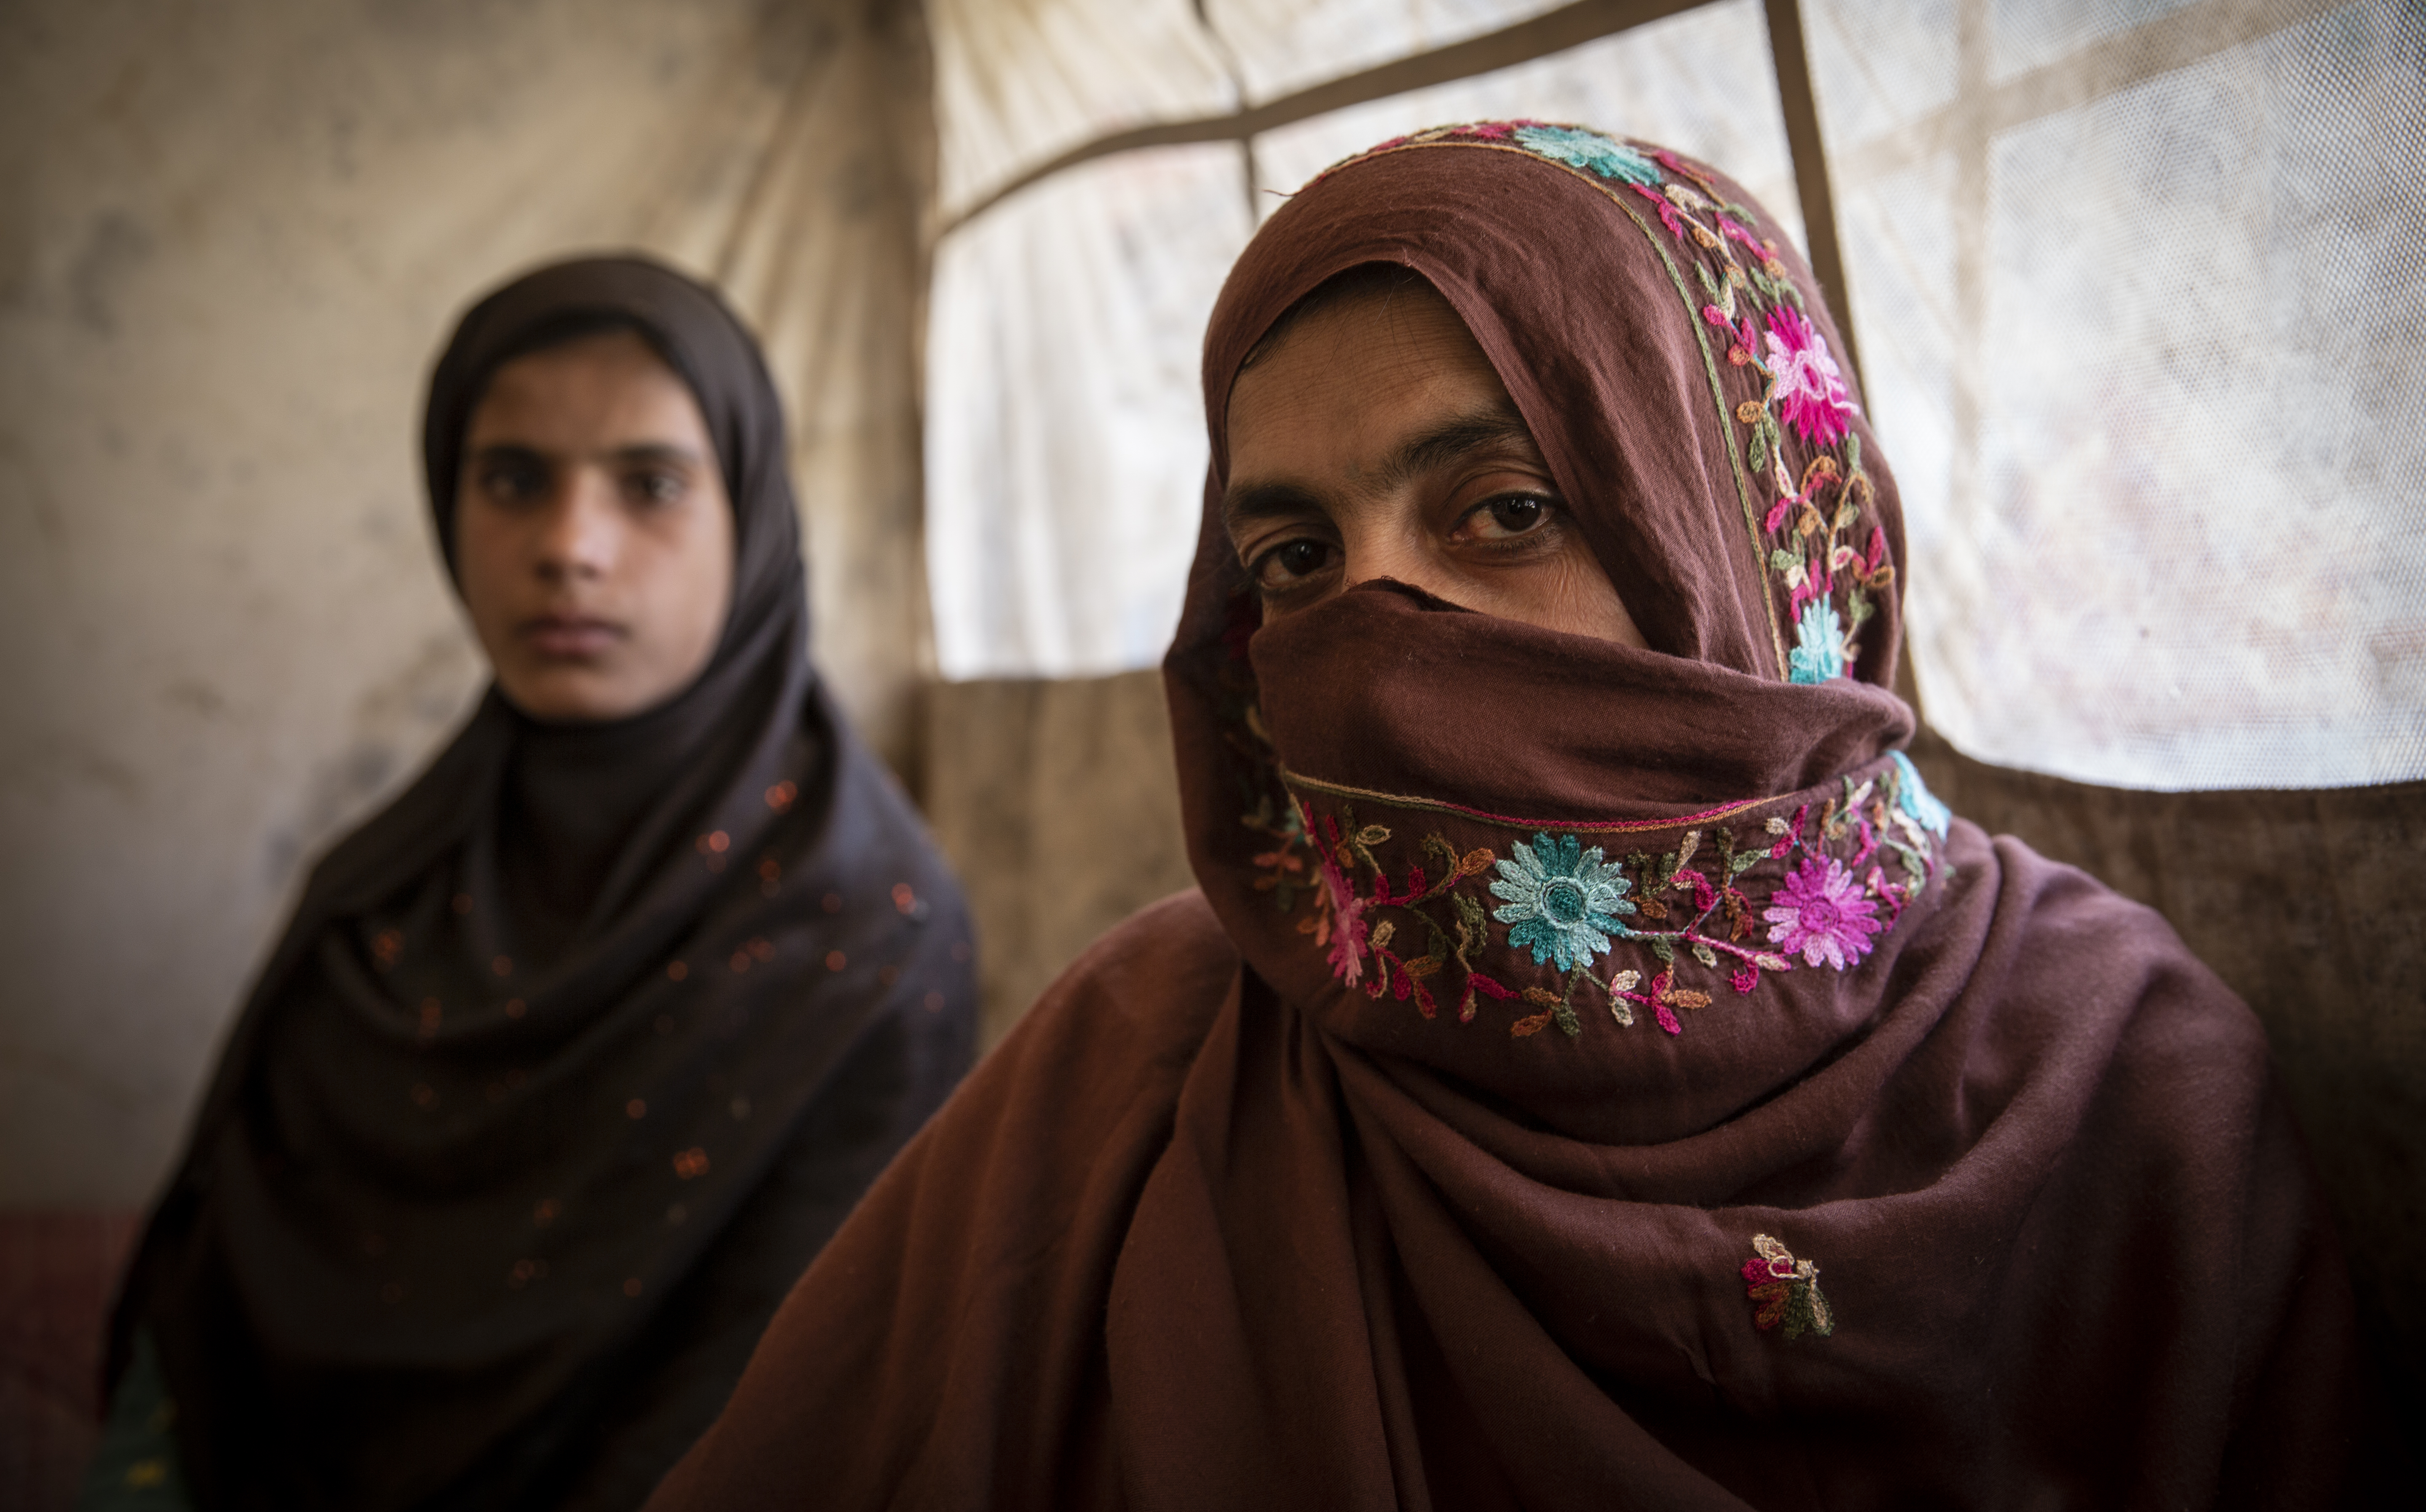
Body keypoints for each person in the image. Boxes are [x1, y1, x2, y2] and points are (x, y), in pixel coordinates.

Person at [641, 125, 2367, 1509]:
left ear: (1747, 532)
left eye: (1506, 509)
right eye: (1296, 562)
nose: (1376, 647)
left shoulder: (2117, 1079)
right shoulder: (1144, 1067)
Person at [86, 256, 978, 1511]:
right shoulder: (386, 893)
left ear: (755, 517)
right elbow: (214, 1310)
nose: (570, 548)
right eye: (512, 480)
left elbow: (784, 1405)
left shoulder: (868, 934)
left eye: (652, 485)